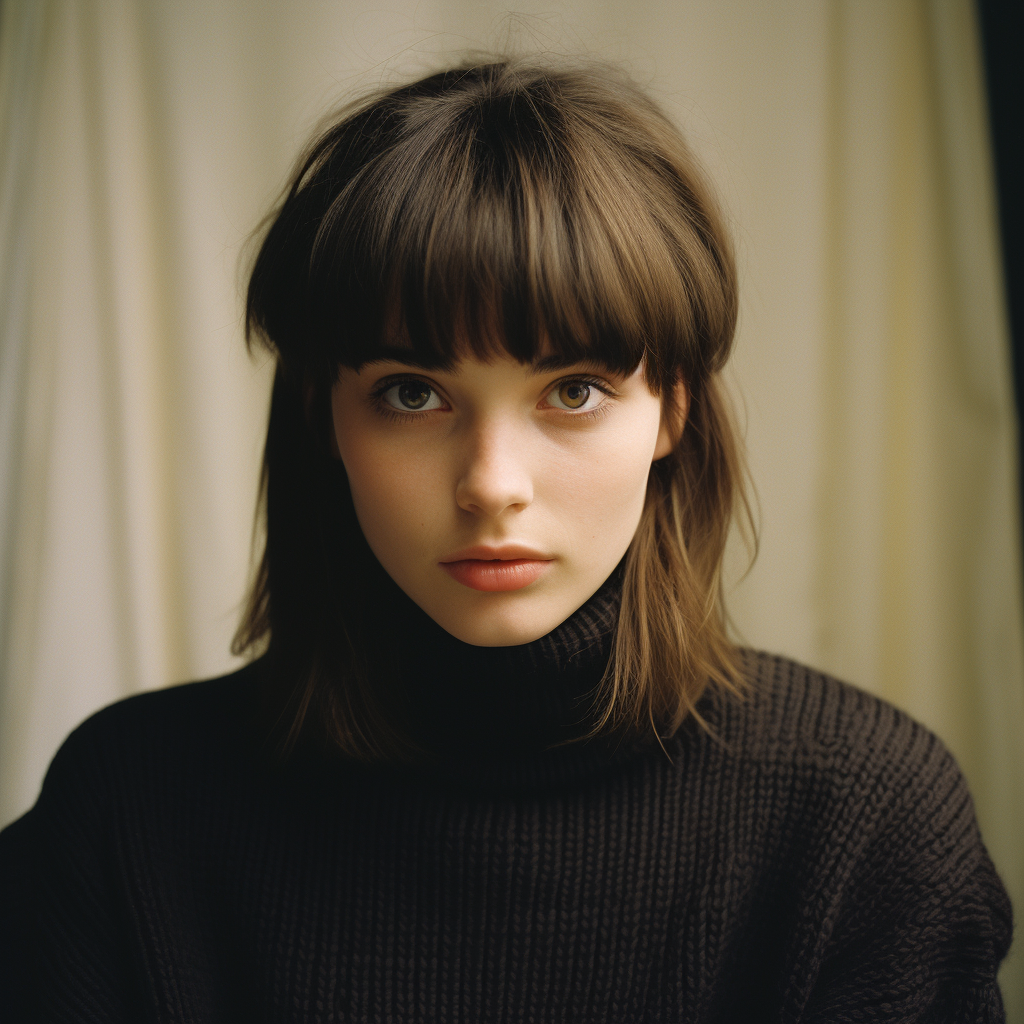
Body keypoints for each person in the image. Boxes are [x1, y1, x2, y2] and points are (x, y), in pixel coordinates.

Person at [0, 58, 1012, 1022]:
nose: (491, 485)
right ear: (323, 417)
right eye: (412, 393)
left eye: (572, 391)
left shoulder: (863, 821)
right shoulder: (124, 815)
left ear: (672, 412)